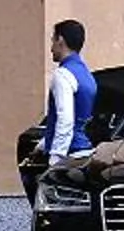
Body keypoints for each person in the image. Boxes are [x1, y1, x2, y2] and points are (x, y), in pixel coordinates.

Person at [42, 19, 98, 172]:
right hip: (84, 150)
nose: (51, 48)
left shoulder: (62, 75)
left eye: (53, 40)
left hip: (69, 154)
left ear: (60, 40)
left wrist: (56, 157)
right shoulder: (86, 75)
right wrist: (43, 143)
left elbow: (65, 119)